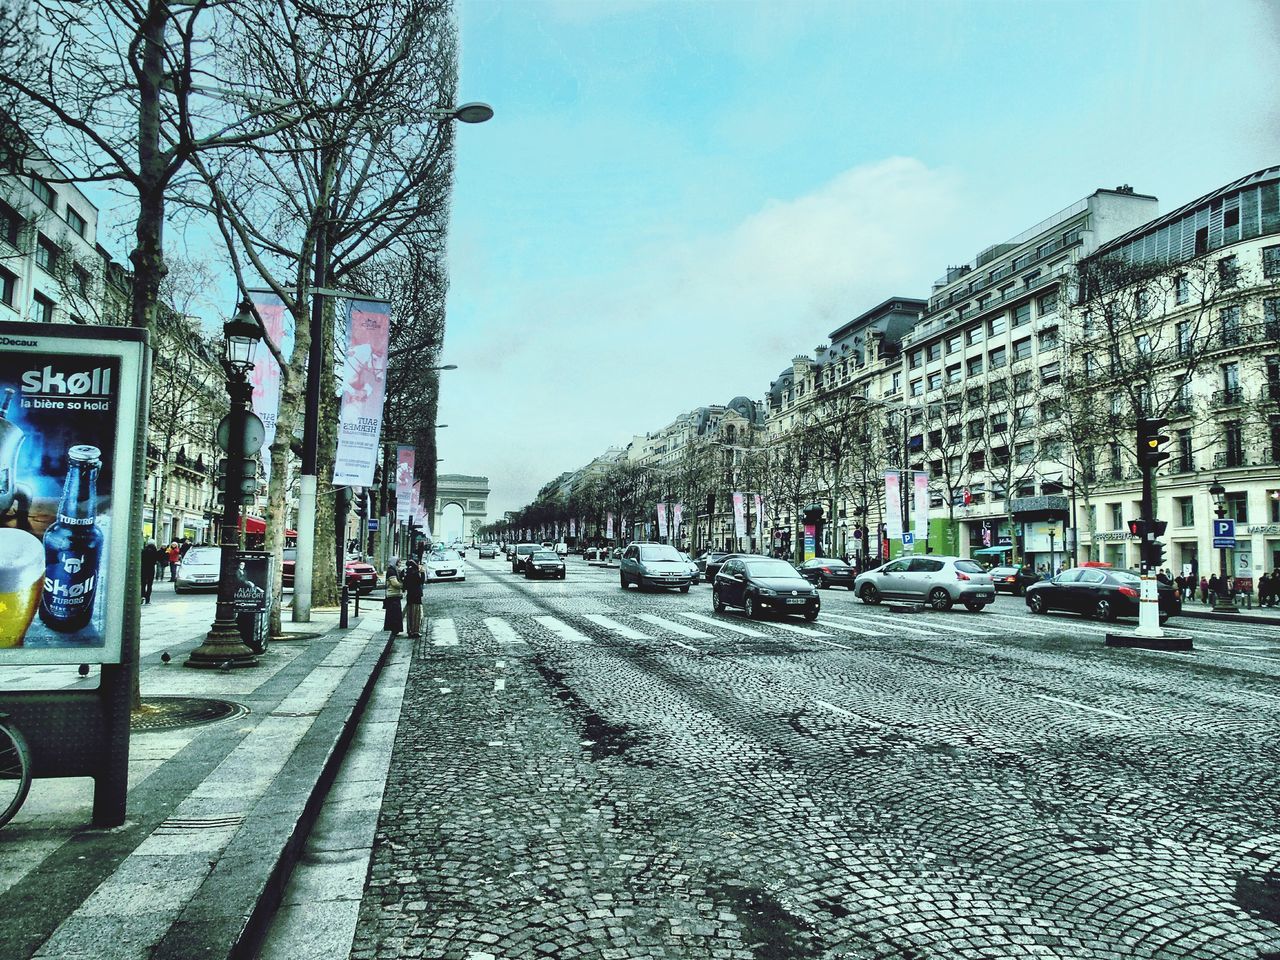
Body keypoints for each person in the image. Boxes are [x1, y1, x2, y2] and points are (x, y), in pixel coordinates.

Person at [403, 559, 424, 638]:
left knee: (410, 614)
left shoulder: (407, 574)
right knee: (417, 614)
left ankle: (410, 630)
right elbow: (421, 581)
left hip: (410, 596)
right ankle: (415, 631)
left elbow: (404, 586)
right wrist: (422, 572)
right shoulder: (415, 574)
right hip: (416, 596)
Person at [383, 561, 404, 637]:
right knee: (394, 613)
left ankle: (394, 629)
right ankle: (394, 629)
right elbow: (395, 583)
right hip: (392, 595)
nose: (400, 564)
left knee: (394, 613)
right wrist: (402, 585)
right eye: (399, 562)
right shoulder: (391, 571)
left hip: (394, 595)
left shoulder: (394, 570)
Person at [141, 539, 160, 604]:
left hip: (143, 568)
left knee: (143, 584)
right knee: (149, 584)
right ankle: (148, 598)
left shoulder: (144, 551)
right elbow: (157, 560)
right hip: (151, 569)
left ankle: (142, 595)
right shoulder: (155, 551)